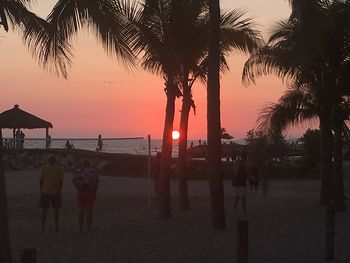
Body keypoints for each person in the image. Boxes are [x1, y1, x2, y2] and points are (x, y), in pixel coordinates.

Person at [72, 160, 99, 231]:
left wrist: (77, 186)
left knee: (81, 211)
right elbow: (96, 183)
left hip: (81, 191)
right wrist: (94, 190)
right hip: (90, 192)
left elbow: (73, 180)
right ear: (89, 165)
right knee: (89, 211)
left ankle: (80, 228)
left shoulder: (79, 171)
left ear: (83, 165)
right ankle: (89, 227)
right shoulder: (93, 172)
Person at [39, 155, 64, 232]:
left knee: (44, 209)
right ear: (55, 161)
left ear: (48, 160)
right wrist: (59, 190)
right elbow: (61, 181)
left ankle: (43, 227)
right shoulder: (59, 169)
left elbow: (41, 180)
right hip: (55, 191)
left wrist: (41, 189)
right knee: (56, 209)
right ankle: (56, 226)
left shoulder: (43, 168)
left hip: (45, 191)